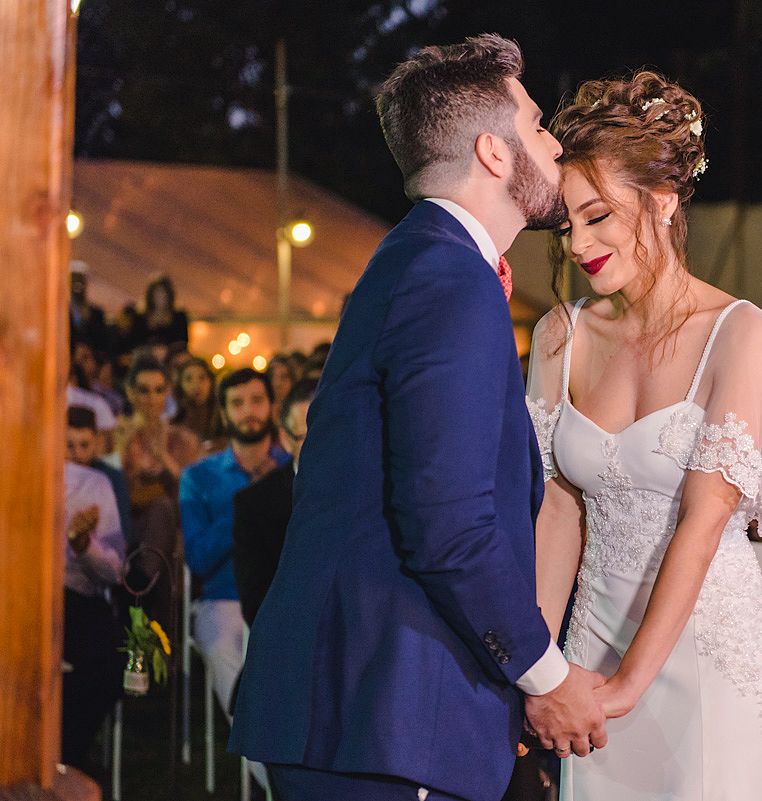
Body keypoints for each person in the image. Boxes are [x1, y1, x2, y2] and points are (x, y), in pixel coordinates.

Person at [230, 35, 608, 801]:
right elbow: (449, 525)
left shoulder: (413, 259)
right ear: (494, 154)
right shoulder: (449, 278)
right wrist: (545, 673)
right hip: (387, 711)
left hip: (365, 711)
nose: (553, 144)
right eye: (537, 126)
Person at [528, 69, 762, 801]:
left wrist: (630, 684)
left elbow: (704, 518)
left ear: (661, 202)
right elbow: (558, 510)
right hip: (589, 649)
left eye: (597, 216)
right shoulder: (559, 336)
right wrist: (540, 671)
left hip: (708, 653)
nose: (579, 244)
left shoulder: (739, 333)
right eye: (567, 225)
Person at [180, 368, 286, 720]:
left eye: (257, 400)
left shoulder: (296, 470)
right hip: (223, 599)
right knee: (225, 647)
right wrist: (249, 502)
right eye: (237, 404)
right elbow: (198, 558)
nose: (249, 412)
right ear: (224, 413)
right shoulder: (198, 477)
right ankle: (268, 768)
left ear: (273, 407)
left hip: (281, 598)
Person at [115, 356, 200, 623]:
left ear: (168, 393)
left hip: (171, 531)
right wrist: (121, 447)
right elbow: (107, 488)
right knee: (162, 549)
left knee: (162, 511)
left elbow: (192, 495)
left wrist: (165, 458)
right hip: (124, 525)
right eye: (143, 390)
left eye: (158, 390)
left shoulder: (184, 439)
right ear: (129, 392)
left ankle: (139, 583)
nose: (151, 398)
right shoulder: (116, 433)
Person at [232, 378, 316, 627]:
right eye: (304, 437)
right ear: (286, 438)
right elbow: (256, 603)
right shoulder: (256, 504)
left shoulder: (366, 492)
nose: (317, 446)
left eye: (325, 433)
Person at [61, 459, 125, 774]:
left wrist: (84, 546)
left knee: (112, 656)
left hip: (72, 596)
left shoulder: (92, 484)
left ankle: (66, 755)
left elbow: (115, 572)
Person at [67, 406, 132, 547]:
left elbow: (121, 539)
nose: (77, 454)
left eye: (84, 445)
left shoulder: (111, 478)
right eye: (69, 446)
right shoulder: (53, 478)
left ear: (97, 442)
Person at [171, 356, 224, 447]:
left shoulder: (223, 423)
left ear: (211, 382)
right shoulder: (173, 427)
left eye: (202, 378)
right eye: (188, 379)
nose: (196, 385)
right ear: (180, 385)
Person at [131, 274, 189, 350]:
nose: (160, 297)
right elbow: (135, 343)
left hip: (173, 356)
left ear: (169, 295)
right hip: (147, 357)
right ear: (150, 296)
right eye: (157, 293)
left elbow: (183, 342)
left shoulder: (179, 316)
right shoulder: (140, 317)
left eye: (163, 293)